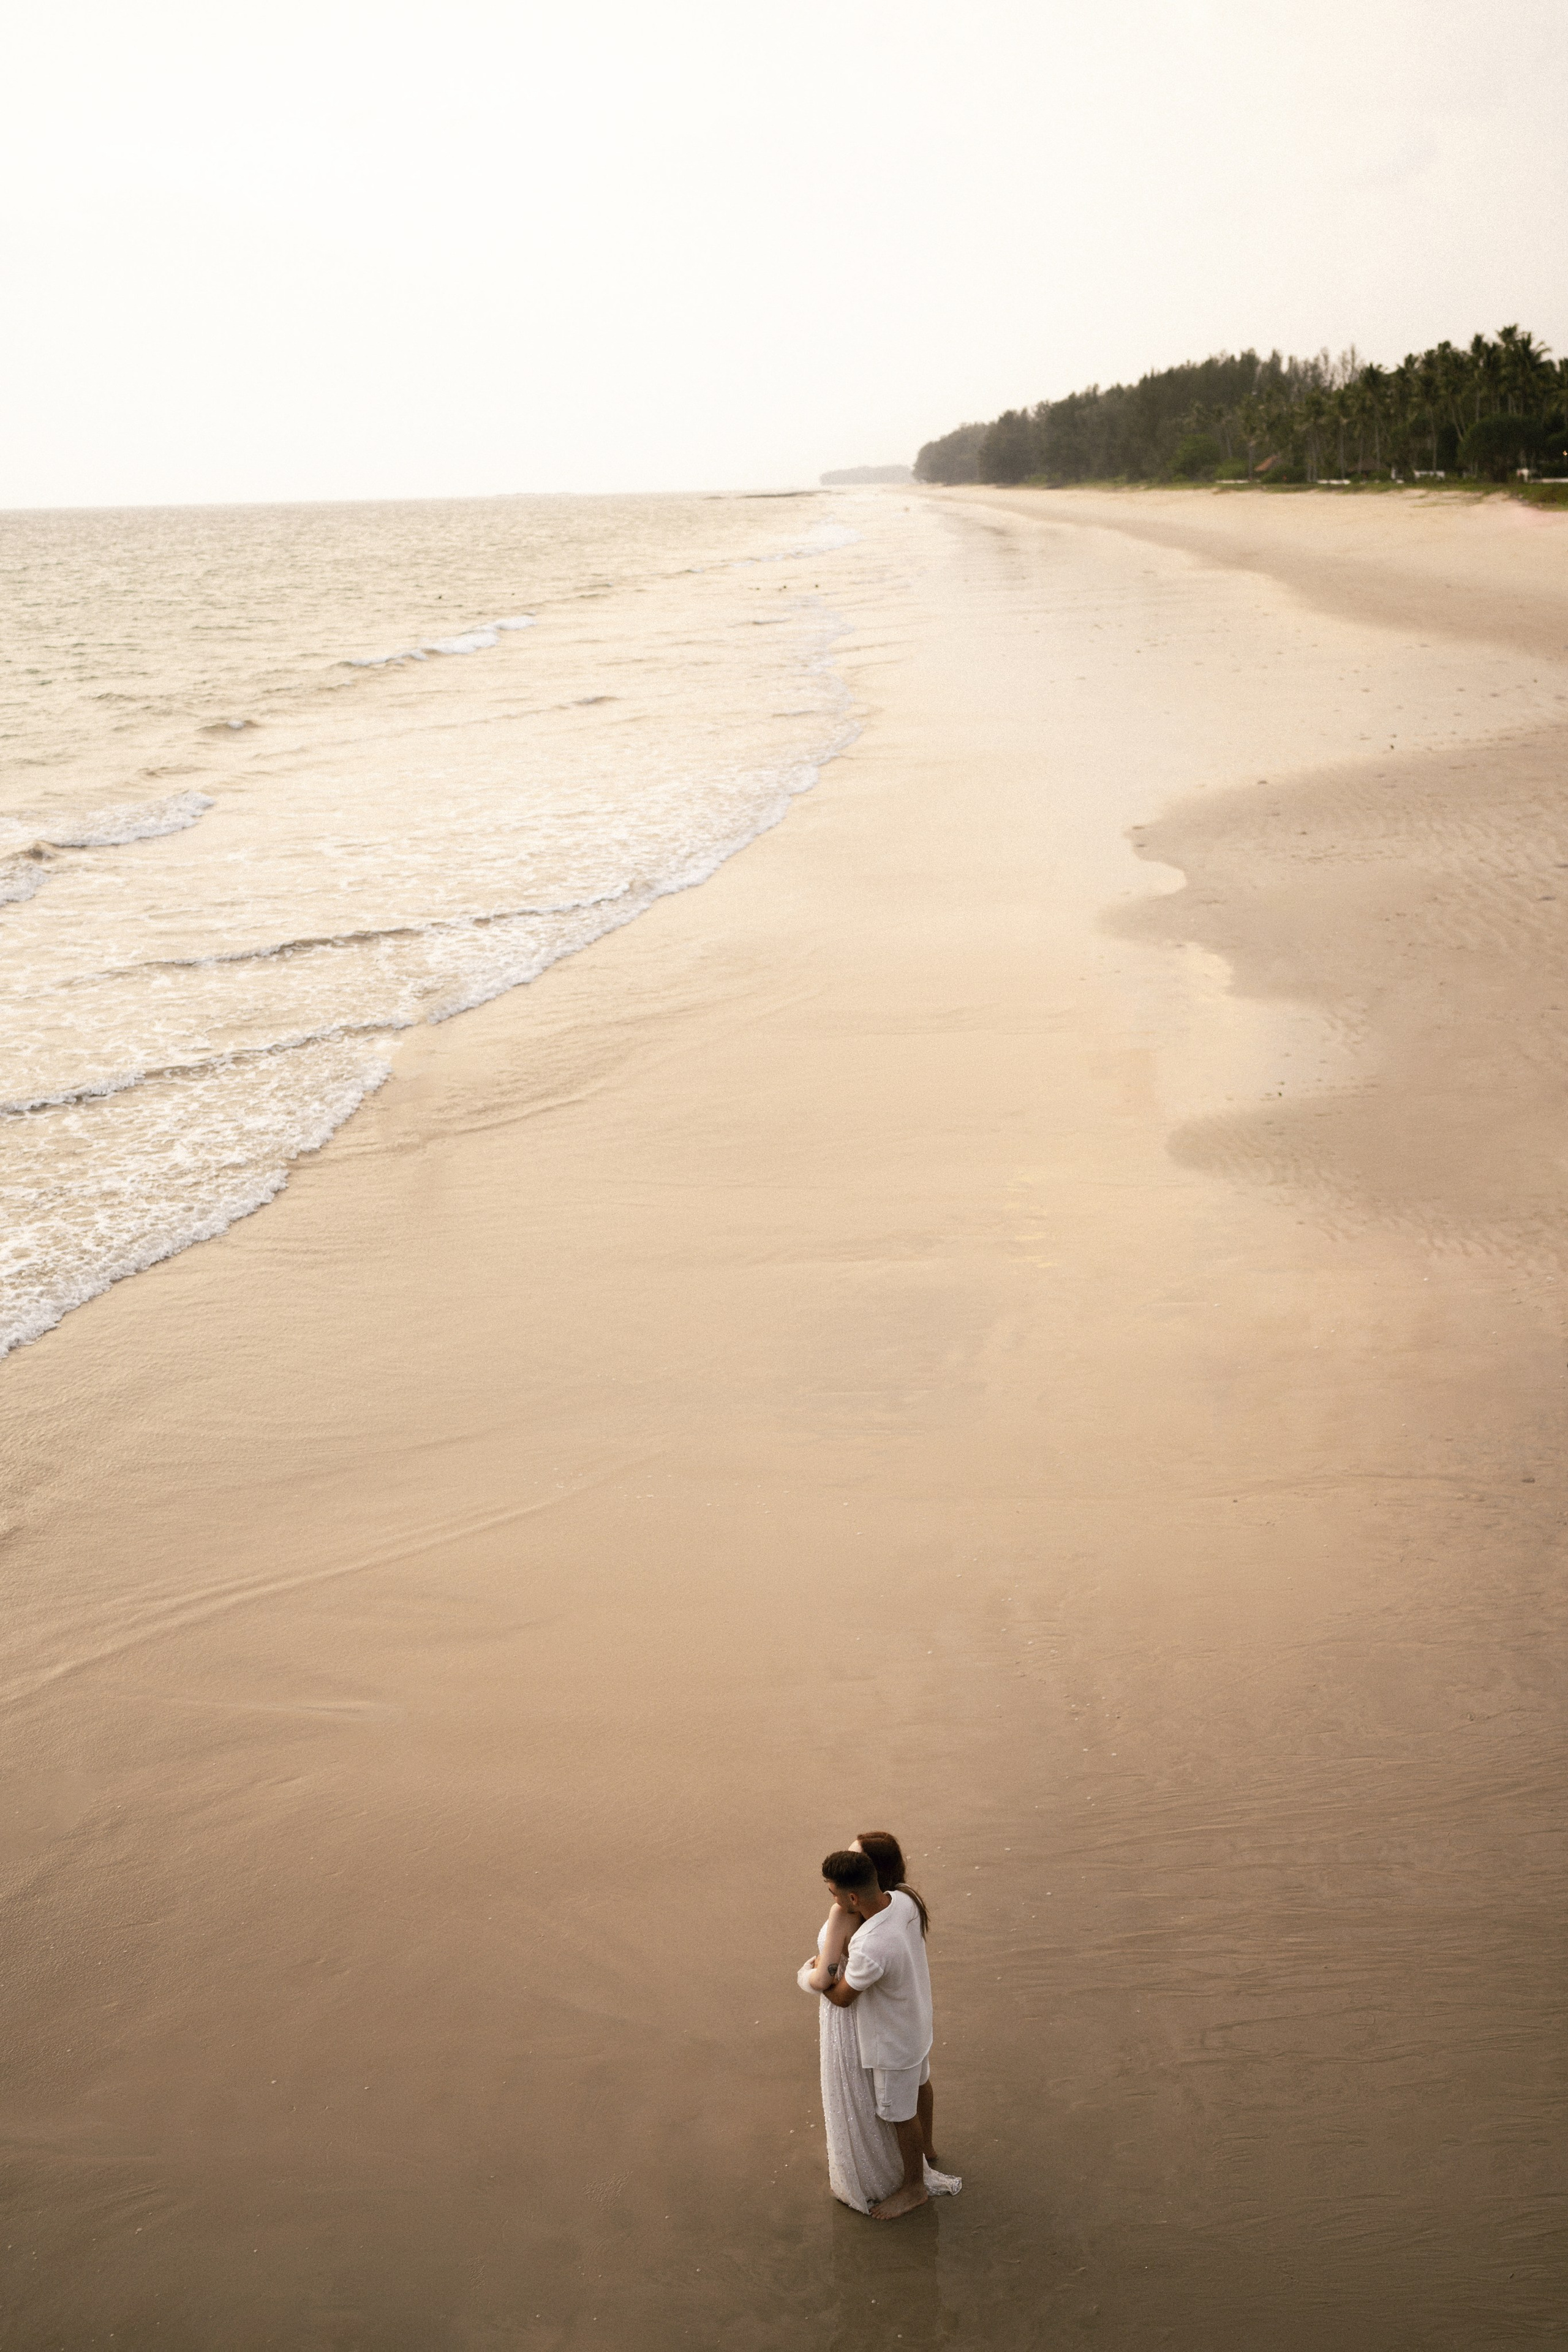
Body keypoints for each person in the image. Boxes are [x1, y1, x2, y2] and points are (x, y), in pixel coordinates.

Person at [797, 1843, 960, 2219]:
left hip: (891, 2040)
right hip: (916, 2019)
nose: (833, 1901)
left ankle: (914, 2186)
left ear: (852, 1897)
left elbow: (841, 1998)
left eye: (833, 1893)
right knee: (921, 2083)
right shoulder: (905, 1900)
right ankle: (928, 2148)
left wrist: (816, 1970)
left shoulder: (871, 1946)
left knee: (898, 2113)